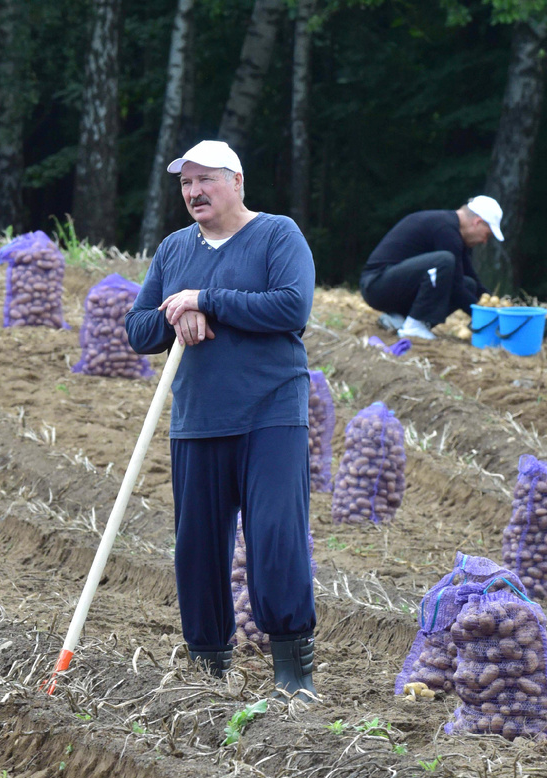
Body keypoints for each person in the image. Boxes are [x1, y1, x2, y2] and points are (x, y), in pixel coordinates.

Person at [125, 140, 317, 702]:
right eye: (185, 183)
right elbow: (139, 330)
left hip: (271, 410)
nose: (193, 192)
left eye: (204, 180)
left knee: (274, 535)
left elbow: (291, 306)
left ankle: (294, 673)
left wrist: (207, 299)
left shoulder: (278, 235)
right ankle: (208, 669)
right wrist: (176, 311)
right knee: (198, 547)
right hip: (198, 417)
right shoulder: (174, 248)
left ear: (236, 180)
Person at [359, 197, 503, 340]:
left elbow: (470, 278)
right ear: (477, 222)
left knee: (469, 285)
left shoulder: (452, 231)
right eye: (487, 235)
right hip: (376, 285)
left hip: (394, 285)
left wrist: (495, 306)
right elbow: (455, 285)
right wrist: (482, 315)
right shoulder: (445, 230)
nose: (484, 242)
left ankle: (400, 320)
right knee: (443, 261)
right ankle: (414, 326)